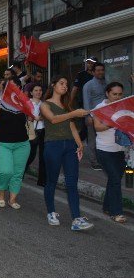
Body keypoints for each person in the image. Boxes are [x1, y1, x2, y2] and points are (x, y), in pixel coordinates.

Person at [40, 75, 93, 231]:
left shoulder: (66, 105)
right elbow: (54, 119)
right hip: (53, 146)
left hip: (70, 146)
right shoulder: (45, 105)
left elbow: (71, 127)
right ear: (53, 85)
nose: (65, 86)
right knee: (51, 181)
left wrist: (79, 144)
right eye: (61, 83)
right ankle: (51, 212)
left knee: (72, 182)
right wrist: (74, 113)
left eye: (66, 84)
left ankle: (76, 218)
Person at [0, 79, 31, 210]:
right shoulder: (0, 103)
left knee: (18, 173)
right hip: (2, 144)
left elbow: (31, 118)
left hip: (22, 144)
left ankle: (13, 199)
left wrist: (31, 112)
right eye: (11, 87)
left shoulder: (24, 104)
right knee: (6, 171)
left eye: (17, 87)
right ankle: (0, 193)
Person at [92, 82, 127, 223]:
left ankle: (107, 206)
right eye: (114, 94)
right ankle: (116, 212)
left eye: (120, 94)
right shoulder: (100, 108)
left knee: (114, 180)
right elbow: (97, 127)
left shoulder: (124, 107)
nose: (117, 97)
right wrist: (113, 122)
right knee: (115, 180)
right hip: (104, 150)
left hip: (120, 150)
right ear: (107, 93)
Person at [82, 62, 107, 170]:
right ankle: (94, 161)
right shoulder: (88, 85)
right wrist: (88, 116)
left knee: (103, 138)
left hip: (105, 116)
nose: (100, 72)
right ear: (93, 72)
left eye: (102, 70)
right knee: (92, 140)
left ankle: (102, 160)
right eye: (98, 70)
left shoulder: (106, 83)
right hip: (93, 116)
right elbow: (86, 101)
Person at [26, 83, 46, 187]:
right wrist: (34, 117)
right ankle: (20, 173)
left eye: (40, 90)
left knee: (43, 156)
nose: (38, 92)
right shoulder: (28, 103)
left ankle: (41, 180)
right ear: (31, 92)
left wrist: (42, 117)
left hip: (42, 130)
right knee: (30, 155)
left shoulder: (44, 104)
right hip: (31, 131)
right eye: (36, 90)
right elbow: (26, 116)